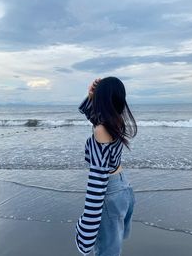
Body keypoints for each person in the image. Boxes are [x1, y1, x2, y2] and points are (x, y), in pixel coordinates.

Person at [75, 76, 137, 256]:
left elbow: (98, 178)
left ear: (102, 101)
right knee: (111, 245)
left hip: (109, 191)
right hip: (123, 186)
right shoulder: (116, 121)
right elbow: (95, 118)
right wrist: (92, 95)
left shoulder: (101, 129)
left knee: (106, 252)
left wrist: (88, 224)